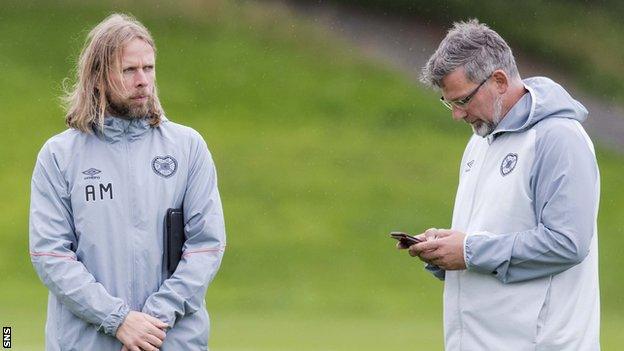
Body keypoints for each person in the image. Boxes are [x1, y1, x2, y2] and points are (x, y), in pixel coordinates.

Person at [400, 19, 600, 350]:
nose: (457, 115)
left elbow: (567, 242)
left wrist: (467, 251)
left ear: (499, 80)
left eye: (462, 100)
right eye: (449, 103)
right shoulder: (479, 141)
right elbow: (487, 239)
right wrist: (444, 252)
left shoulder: (558, 138)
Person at [29, 13, 226, 350]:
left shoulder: (188, 147)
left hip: (171, 340)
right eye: (129, 70)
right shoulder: (59, 156)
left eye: (148, 69)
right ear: (98, 77)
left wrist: (151, 321)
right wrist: (118, 319)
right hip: (87, 342)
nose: (142, 81)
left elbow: (206, 246)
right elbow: (51, 254)